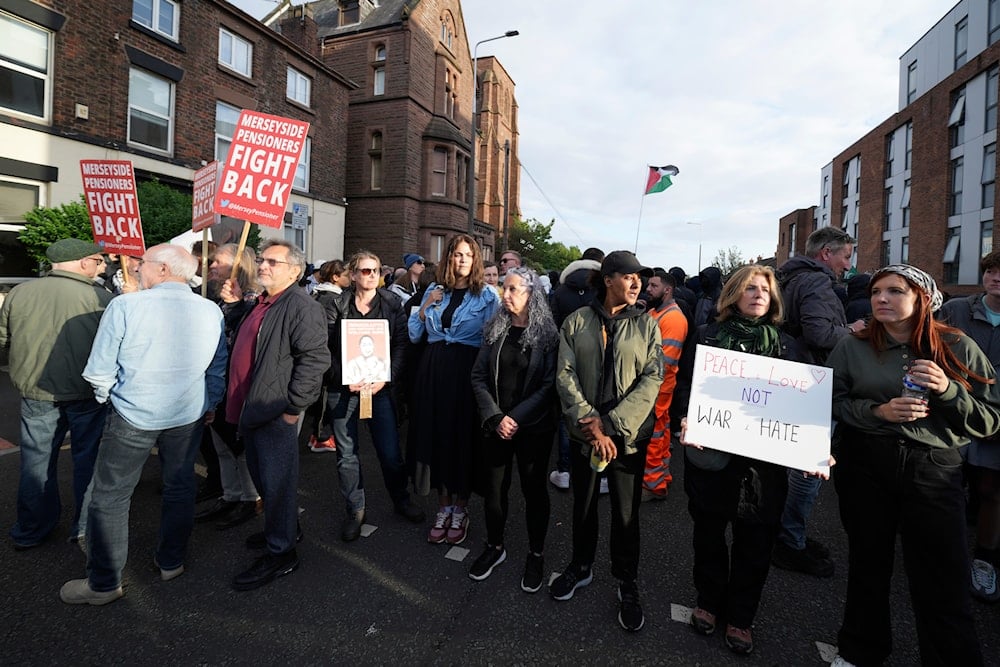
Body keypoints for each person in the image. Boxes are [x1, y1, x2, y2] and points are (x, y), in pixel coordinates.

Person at [827, 264, 1000, 666]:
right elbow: (829, 402)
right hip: (867, 467)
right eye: (876, 292)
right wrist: (878, 412)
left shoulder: (956, 345)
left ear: (922, 299)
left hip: (934, 471)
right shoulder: (853, 347)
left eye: (894, 291)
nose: (881, 299)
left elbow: (990, 419)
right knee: (868, 566)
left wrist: (948, 390)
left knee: (942, 579)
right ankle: (859, 651)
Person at [59, 244, 227, 605]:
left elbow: (100, 368)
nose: (136, 269)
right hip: (187, 413)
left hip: (134, 412)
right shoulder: (210, 310)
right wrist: (209, 402)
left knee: (110, 496)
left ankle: (103, 583)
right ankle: (171, 561)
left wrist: (109, 399)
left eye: (142, 264)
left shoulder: (126, 305)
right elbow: (216, 367)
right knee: (179, 487)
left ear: (163, 269)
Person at [675, 264, 808, 655]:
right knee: (709, 534)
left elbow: (801, 406)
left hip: (762, 465)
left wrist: (809, 444)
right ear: (733, 293)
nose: (757, 295)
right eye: (749, 288)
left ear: (774, 299)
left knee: (756, 541)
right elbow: (684, 386)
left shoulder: (787, 346)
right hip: (712, 459)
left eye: (764, 290)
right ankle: (709, 601)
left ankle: (741, 617)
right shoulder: (707, 336)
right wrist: (685, 416)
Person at [549, 250, 662, 633]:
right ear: (608, 279)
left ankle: (626, 581)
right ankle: (580, 566)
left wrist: (611, 425)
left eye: (640, 278)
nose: (637, 283)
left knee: (626, 513)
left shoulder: (647, 325)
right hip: (586, 437)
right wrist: (591, 426)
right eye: (629, 276)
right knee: (582, 504)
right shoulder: (576, 321)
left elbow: (652, 380)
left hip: (627, 439)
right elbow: (564, 375)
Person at [222, 240, 330, 591]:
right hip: (254, 410)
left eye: (272, 262)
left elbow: (314, 360)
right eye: (262, 259)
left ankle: (281, 553)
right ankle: (283, 529)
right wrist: (237, 306)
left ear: (295, 271)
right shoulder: (264, 302)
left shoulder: (301, 306)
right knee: (267, 480)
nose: (263, 266)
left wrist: (292, 409)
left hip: (274, 411)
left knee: (277, 483)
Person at [1, 238, 112, 549]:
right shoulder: (100, 298)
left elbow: (2, 337)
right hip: (85, 394)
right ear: (82, 262)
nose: (101, 265)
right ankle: (84, 528)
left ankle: (31, 528)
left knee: (37, 461)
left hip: (35, 390)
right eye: (98, 260)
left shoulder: (20, 292)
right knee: (87, 460)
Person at [773, 226, 864, 578]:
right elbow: (820, 333)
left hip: (793, 377)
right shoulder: (817, 282)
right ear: (826, 253)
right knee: (808, 469)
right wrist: (854, 329)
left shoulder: (791, 277)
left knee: (792, 464)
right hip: (810, 380)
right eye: (845, 255)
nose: (848, 264)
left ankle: (784, 533)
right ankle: (790, 541)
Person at [323, 250, 424, 542]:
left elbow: (403, 345)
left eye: (376, 271)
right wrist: (345, 377)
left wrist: (386, 376)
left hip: (381, 390)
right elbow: (324, 349)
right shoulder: (336, 305)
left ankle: (401, 499)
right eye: (365, 271)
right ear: (353, 274)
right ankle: (355, 510)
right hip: (344, 390)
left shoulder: (392, 304)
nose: (371, 276)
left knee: (390, 453)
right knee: (347, 456)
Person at [469, 267, 559, 591]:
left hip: (533, 428)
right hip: (496, 427)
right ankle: (495, 547)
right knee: (494, 491)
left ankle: (536, 553)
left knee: (534, 492)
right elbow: (478, 376)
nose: (504, 296)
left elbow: (548, 386)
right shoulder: (496, 329)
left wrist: (516, 417)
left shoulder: (548, 336)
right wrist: (495, 416)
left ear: (531, 295)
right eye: (504, 289)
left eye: (512, 290)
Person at [408, 234, 500, 545]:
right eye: (455, 255)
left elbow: (491, 342)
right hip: (433, 371)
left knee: (462, 438)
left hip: (466, 371)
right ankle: (443, 506)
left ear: (475, 260)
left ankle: (460, 509)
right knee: (437, 437)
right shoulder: (434, 292)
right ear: (447, 259)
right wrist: (424, 308)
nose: (460, 260)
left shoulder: (488, 297)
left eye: (466, 255)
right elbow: (414, 334)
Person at [939, 250, 1000, 603]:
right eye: (990, 271)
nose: (995, 277)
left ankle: (985, 560)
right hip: (955, 412)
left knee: (992, 489)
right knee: (946, 484)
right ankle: (945, 552)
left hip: (996, 418)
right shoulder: (958, 310)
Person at [193, 244, 263, 531]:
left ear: (238, 265)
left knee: (239, 446)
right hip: (215, 380)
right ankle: (230, 494)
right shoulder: (214, 297)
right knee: (221, 445)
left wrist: (235, 307)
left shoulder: (254, 299)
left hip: (239, 383)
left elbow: (250, 335)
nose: (210, 265)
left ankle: (250, 498)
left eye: (217, 261)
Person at [547, 247, 604, 490]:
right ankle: (599, 471)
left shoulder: (561, 290)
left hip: (565, 354)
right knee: (598, 410)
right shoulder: (604, 288)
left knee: (567, 411)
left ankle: (564, 469)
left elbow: (552, 324)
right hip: (597, 357)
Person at [642, 270, 687, 501]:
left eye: (653, 286)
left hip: (657, 388)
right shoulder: (654, 312)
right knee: (659, 435)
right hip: (652, 387)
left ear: (667, 290)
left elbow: (665, 362)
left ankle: (653, 486)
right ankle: (659, 478)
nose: (648, 289)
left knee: (655, 437)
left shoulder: (674, 319)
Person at [301, 259, 350, 453]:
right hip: (327, 355)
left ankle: (316, 434)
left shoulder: (317, 293)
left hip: (316, 353)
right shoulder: (332, 298)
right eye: (346, 275)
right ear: (336, 277)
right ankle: (320, 437)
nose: (350, 279)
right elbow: (329, 331)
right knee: (324, 396)